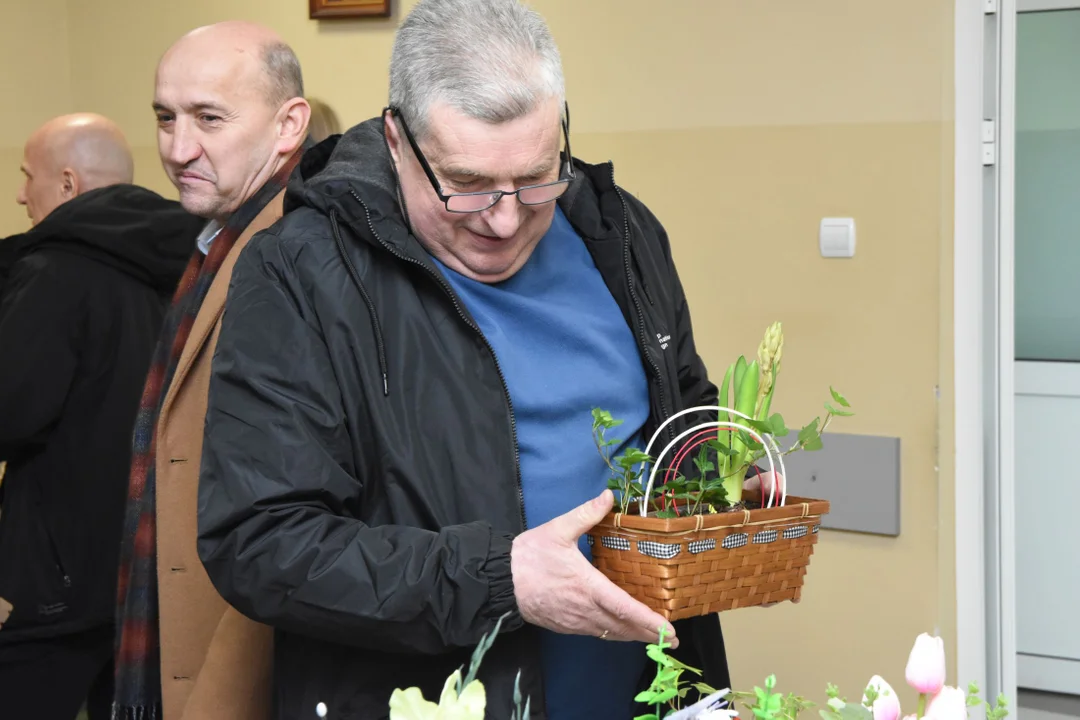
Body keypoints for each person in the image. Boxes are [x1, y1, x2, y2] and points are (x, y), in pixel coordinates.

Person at [198, 1, 744, 717]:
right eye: (467, 186)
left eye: (537, 177)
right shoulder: (300, 272)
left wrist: (723, 477)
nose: (506, 218)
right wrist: (499, 579)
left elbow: (681, 413)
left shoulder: (623, 231)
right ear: (397, 140)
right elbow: (258, 542)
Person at [111, 21, 310, 720]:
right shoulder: (222, 236)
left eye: (208, 118)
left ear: (289, 126)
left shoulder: (295, 251)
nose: (176, 148)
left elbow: (296, 505)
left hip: (246, 655)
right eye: (165, 117)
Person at [0, 113, 201, 720]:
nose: (18, 193)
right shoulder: (194, 264)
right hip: (154, 568)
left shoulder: (54, 271)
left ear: (66, 183)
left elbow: (10, 413)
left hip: (54, 579)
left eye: (26, 176)